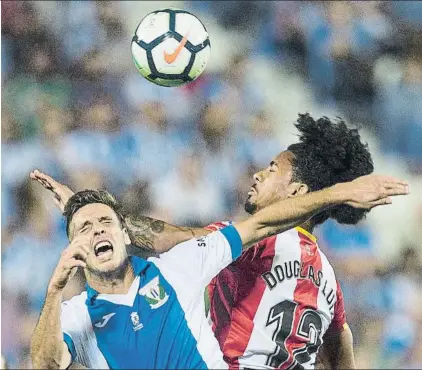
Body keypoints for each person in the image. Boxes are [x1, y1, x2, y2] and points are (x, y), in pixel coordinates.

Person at [30, 114, 409, 369]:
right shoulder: (328, 279)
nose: (259, 174)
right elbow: (341, 340)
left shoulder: (259, 246)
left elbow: (171, 238)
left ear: (297, 191)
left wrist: (88, 214)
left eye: (273, 169)